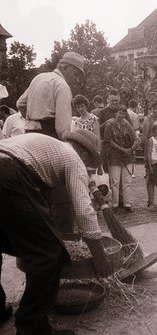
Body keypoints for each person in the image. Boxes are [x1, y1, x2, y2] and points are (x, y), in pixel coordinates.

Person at [0, 129, 113, 334]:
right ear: (85, 154)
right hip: (7, 172)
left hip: (5, 164)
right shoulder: (73, 158)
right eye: (89, 164)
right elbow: (83, 211)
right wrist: (99, 255)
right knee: (47, 252)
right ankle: (33, 327)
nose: (86, 168)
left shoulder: (46, 147)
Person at [16, 51, 85, 140]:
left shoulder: (39, 77)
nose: (77, 79)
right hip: (48, 137)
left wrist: (34, 121)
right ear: (65, 68)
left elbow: (20, 104)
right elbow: (63, 129)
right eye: (76, 74)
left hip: (28, 134)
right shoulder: (62, 86)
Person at [103, 105, 140, 212]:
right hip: (114, 156)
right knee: (115, 181)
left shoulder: (127, 124)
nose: (121, 115)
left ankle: (127, 204)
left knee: (126, 181)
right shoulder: (109, 124)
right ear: (116, 113)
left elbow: (136, 139)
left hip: (127, 157)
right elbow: (108, 141)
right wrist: (122, 150)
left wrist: (131, 149)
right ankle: (114, 204)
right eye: (119, 113)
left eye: (123, 113)